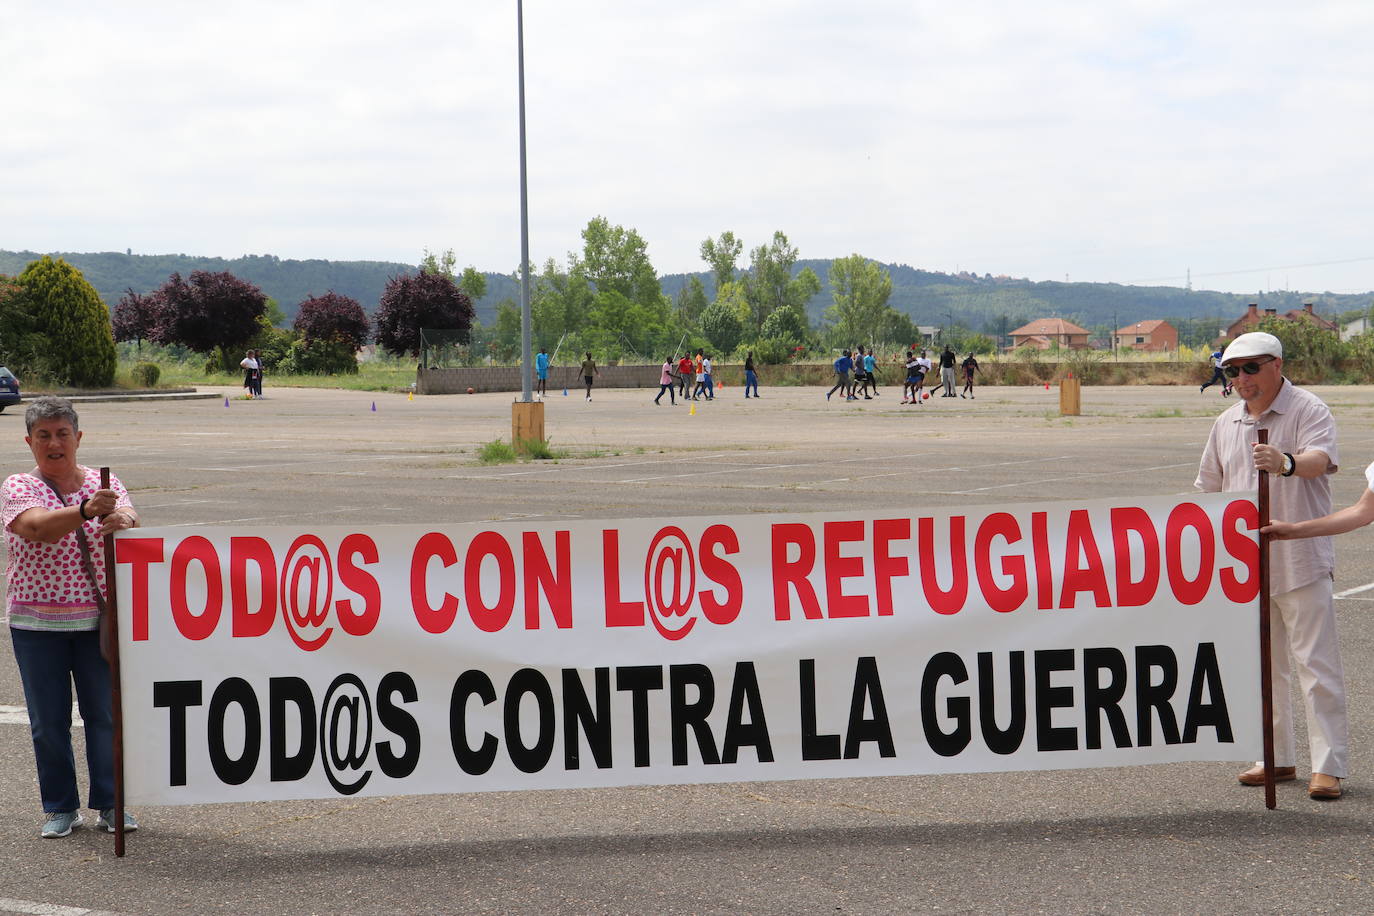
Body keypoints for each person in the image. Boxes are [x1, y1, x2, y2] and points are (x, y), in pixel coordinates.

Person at [1194, 331, 1348, 801]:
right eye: (1232, 371)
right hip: (1246, 567)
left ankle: (1329, 765)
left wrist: (1285, 463)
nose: (1242, 379)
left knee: (1315, 666)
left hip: (1299, 559)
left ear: (1277, 365)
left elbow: (1320, 461)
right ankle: (1276, 755)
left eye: (1251, 368)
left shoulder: (1308, 409)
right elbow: (1207, 489)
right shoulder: (1226, 422)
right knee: (1263, 666)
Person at [5, 397, 141, 838]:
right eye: (43, 435)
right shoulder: (18, 486)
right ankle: (61, 808)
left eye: (62, 433)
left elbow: (129, 515)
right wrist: (86, 511)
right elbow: (37, 528)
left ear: (78, 439)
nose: (54, 442)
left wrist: (120, 516)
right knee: (49, 722)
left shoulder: (104, 481)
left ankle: (111, 804)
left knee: (104, 716)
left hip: (96, 622)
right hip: (36, 625)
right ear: (29, 442)